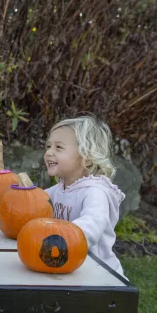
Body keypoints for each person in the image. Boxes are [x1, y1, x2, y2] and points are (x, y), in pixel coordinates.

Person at [44, 115, 127, 278]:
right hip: (71, 267)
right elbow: (31, 204)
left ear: (86, 156)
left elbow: (92, 224)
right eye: (48, 146)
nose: (49, 152)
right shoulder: (59, 189)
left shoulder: (95, 192)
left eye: (58, 147)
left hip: (100, 274)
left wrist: (58, 238)